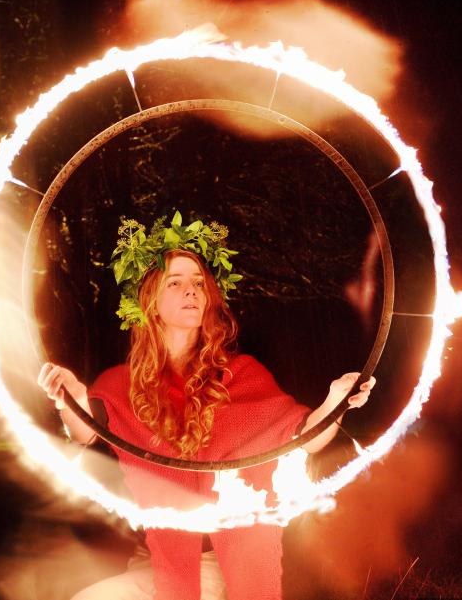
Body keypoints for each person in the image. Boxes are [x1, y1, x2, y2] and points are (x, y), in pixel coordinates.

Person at [37, 213, 374, 600]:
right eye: (176, 283)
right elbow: (84, 429)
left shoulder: (240, 375)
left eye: (198, 283)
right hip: (157, 558)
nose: (192, 291)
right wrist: (72, 399)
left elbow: (305, 438)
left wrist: (337, 400)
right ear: (148, 300)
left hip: (224, 561)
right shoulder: (122, 384)